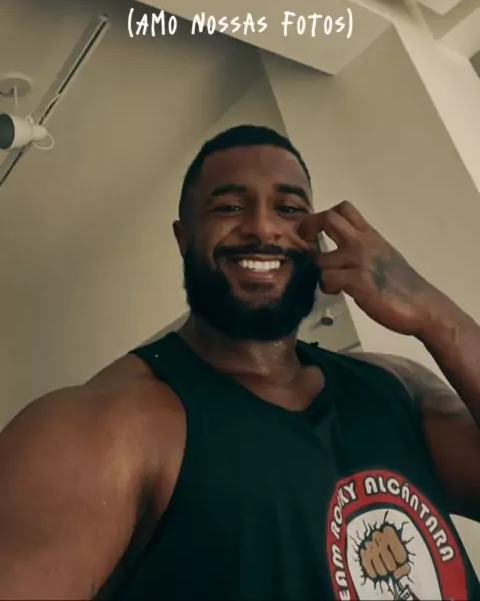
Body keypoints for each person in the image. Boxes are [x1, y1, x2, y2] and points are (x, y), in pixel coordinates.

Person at [0, 124, 479, 601]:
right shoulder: (98, 428)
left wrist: (434, 315)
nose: (263, 228)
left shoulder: (396, 385)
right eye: (229, 207)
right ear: (183, 237)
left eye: (289, 209)